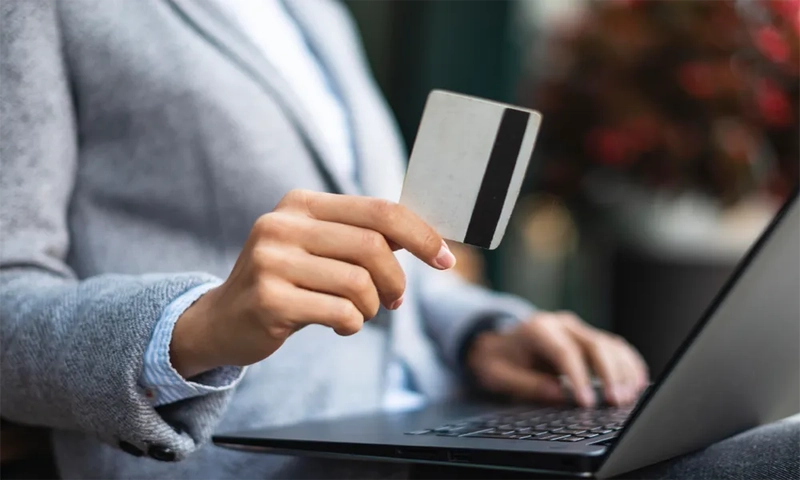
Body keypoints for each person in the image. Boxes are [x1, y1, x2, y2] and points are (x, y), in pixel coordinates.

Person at [0, 1, 790, 479]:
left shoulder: (318, 16)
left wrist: (489, 332)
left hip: (438, 432)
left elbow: (385, 262)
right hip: (257, 458)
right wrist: (196, 327)